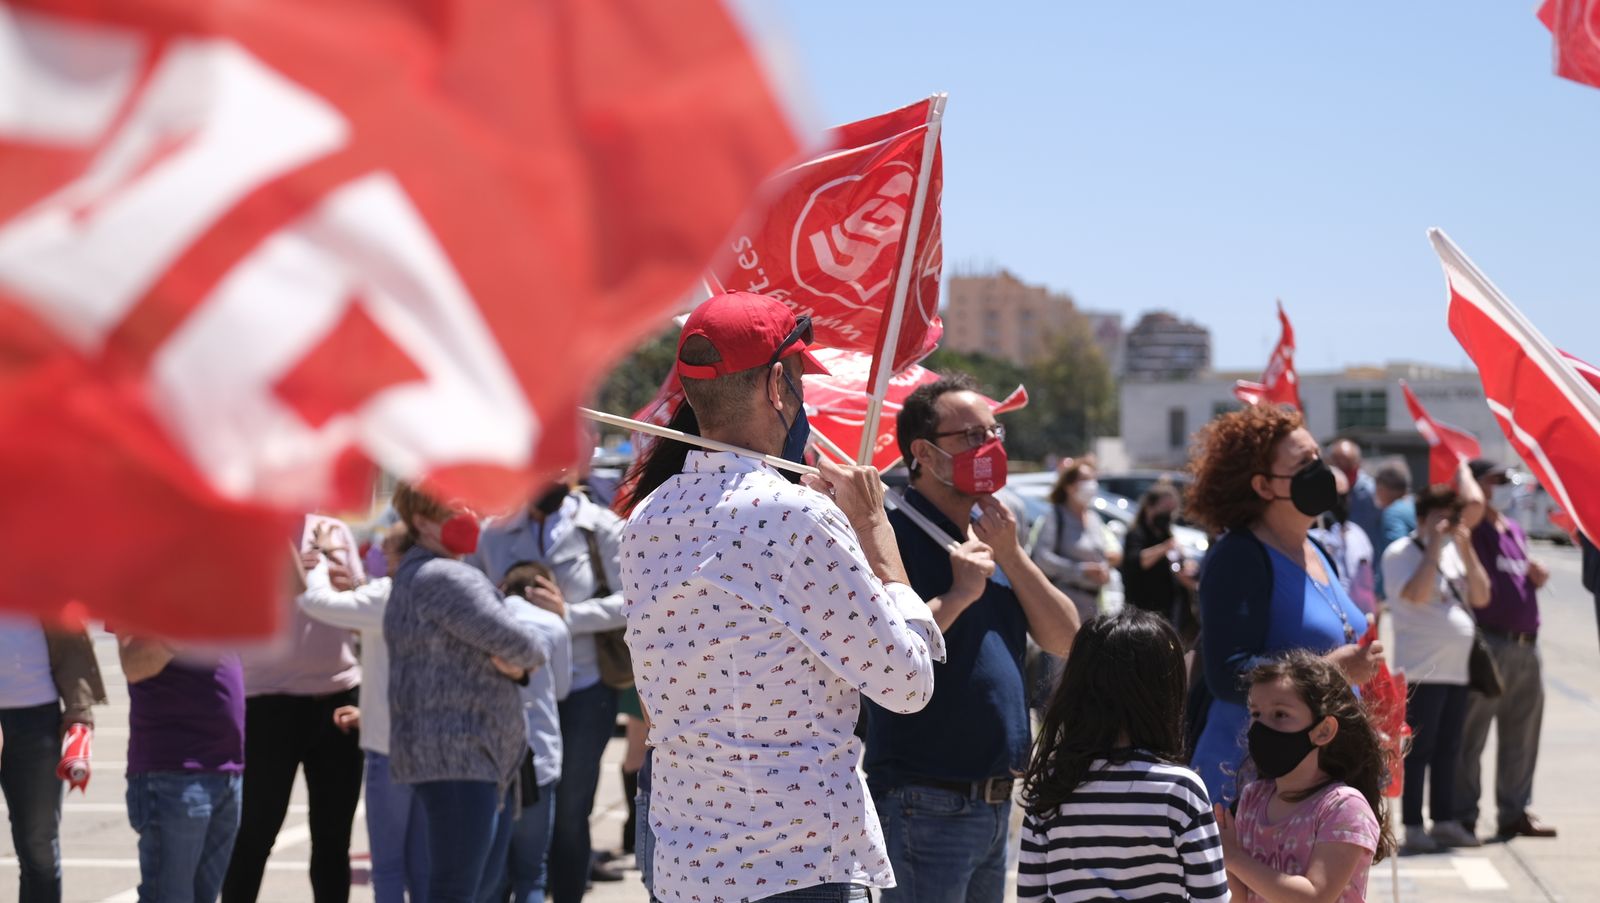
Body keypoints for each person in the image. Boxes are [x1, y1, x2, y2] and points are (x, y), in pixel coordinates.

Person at [618, 290, 945, 903]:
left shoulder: (645, 521)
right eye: (798, 383)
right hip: (797, 862)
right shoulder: (793, 517)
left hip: (688, 867)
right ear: (777, 386)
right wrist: (876, 536)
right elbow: (907, 684)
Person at [867, 373, 1080, 903]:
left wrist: (1010, 553)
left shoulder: (992, 533)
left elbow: (1067, 638)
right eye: (970, 436)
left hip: (996, 801)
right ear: (924, 452)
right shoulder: (887, 532)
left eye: (994, 433)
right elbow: (882, 650)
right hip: (923, 798)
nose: (989, 447)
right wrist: (960, 594)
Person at [1185, 405, 1382, 805]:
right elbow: (1228, 674)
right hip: (1250, 786)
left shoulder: (1318, 550)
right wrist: (1332, 670)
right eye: (1303, 462)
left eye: (1318, 457)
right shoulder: (1239, 556)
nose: (1320, 470)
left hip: (1317, 783)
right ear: (1263, 486)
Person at [385, 483, 548, 903]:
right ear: (421, 521)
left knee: (471, 887)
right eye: (455, 510)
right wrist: (518, 658)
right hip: (462, 757)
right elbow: (529, 646)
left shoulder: (420, 572)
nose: (470, 516)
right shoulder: (446, 576)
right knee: (458, 890)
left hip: (465, 758)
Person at [469, 477, 629, 899]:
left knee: (571, 817)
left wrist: (568, 615)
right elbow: (472, 595)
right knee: (508, 814)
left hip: (584, 691)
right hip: (511, 694)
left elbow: (632, 599)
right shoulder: (494, 530)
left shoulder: (601, 527)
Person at [1017, 610, 1228, 901]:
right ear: (1165, 693)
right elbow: (1212, 898)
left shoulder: (1052, 786)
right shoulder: (1179, 790)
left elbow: (1031, 897)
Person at [223, 526, 365, 903]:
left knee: (334, 839)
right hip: (268, 703)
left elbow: (366, 618)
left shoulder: (333, 530)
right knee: (254, 834)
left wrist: (350, 589)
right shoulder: (247, 526)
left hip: (338, 699)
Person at [296, 527, 429, 903]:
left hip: (389, 749)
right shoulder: (440, 591)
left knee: (387, 866)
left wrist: (319, 560)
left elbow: (315, 601)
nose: (380, 564)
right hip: (432, 746)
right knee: (422, 864)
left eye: (385, 557)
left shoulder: (388, 596)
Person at [1215, 651, 1392, 902]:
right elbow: (1240, 897)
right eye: (1256, 714)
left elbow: (1315, 897)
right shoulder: (1254, 798)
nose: (1262, 727)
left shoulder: (1343, 807)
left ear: (1324, 731)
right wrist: (1223, 858)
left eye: (1280, 714)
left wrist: (1234, 857)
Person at [1379, 477, 1490, 853]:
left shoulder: (1456, 552)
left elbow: (1482, 595)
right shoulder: (1400, 553)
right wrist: (1433, 547)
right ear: (1423, 518)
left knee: (1449, 749)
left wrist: (1465, 548)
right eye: (1441, 518)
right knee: (1419, 752)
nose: (1448, 525)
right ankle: (1413, 824)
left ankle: (1444, 821)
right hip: (1420, 670)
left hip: (1456, 669)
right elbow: (1414, 595)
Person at [1455, 458, 1558, 841]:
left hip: (1526, 646)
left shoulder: (1512, 529)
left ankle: (1514, 812)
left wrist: (1536, 572)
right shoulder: (1475, 525)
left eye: (1503, 480)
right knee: (1472, 733)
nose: (1501, 486)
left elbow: (1518, 573)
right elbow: (1468, 506)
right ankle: (1464, 812)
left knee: (1522, 734)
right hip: (1490, 641)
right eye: (1492, 480)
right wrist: (1465, 471)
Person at [117, 637, 246, 903]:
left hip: (226, 769)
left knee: (203, 897)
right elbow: (134, 665)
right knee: (167, 897)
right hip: (173, 771)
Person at [480, 561, 573, 903]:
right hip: (538, 758)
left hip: (491, 760)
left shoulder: (483, 621)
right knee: (532, 872)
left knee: (490, 873)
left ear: (503, 585)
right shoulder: (552, 624)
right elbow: (562, 689)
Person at [0, 616, 106, 903]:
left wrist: (78, 710)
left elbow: (72, 642)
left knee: (39, 849)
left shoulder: (40, 574)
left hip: (36, 719)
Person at [1031, 460, 1120, 622]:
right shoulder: (1056, 516)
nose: (1092, 484)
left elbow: (1105, 554)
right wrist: (1080, 570)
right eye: (1085, 479)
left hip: (1094, 607)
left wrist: (1103, 570)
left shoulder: (1094, 518)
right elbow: (1042, 559)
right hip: (1063, 606)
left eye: (1093, 479)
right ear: (1069, 486)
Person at [1119, 483, 1198, 632]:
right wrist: (1164, 548)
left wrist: (1186, 564)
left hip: (1166, 611)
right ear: (1150, 507)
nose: (1168, 514)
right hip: (1141, 611)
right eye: (1164, 508)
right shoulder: (1137, 533)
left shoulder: (1165, 534)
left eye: (1171, 510)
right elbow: (1136, 561)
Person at [1310, 470, 1377, 614]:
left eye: (1344, 496)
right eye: (1334, 497)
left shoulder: (1358, 534)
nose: (1340, 503)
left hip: (1363, 628)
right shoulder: (1310, 540)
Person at [1373, 463, 1416, 602]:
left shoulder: (1393, 513)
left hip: (1402, 592)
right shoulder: (1415, 503)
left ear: (1383, 489)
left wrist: (1380, 593)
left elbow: (1397, 551)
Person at [1328, 439, 1382, 549]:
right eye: (1338, 466)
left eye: (1347, 466)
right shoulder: (1321, 493)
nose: (1342, 472)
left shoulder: (1372, 492)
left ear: (1358, 463)